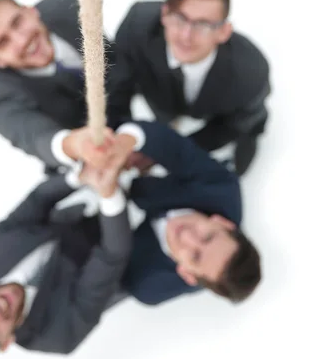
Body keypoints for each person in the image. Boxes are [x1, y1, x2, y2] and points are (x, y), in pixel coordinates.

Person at [0, 133, 134, 359]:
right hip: (125, 261)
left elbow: (37, 202)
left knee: (67, 149)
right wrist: (109, 192)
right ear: (5, 343)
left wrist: (80, 177)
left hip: (70, 221)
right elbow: (113, 255)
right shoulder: (59, 335)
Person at [56, 119, 261, 306]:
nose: (187, 236)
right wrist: (125, 144)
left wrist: (107, 194)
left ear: (187, 275)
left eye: (195, 256)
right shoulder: (222, 188)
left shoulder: (146, 283)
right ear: (223, 222)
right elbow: (173, 146)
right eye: (208, 236)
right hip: (152, 186)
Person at [109, 0, 271, 175]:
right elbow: (118, 86)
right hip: (162, 96)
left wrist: (167, 150)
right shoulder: (137, 26)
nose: (185, 35)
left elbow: (232, 125)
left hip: (225, 116)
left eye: (202, 25)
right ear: (164, 14)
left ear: (223, 32)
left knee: (247, 133)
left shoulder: (250, 72)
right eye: (179, 18)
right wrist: (121, 138)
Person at [0, 0, 122, 173]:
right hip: (89, 161)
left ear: (31, 11)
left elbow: (113, 58)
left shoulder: (64, 6)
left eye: (17, 22)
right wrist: (75, 145)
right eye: (3, 42)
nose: (21, 41)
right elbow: (35, 136)